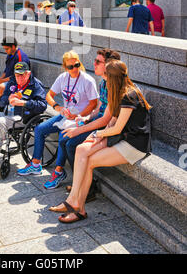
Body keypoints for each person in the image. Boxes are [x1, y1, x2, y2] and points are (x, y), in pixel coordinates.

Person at [50, 59, 152, 223]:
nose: (104, 81)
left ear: (113, 78)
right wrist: (97, 134)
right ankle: (74, 202)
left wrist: (97, 134)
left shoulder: (129, 95)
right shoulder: (120, 91)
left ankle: (77, 206)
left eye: (106, 77)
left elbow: (117, 128)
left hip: (134, 145)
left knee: (89, 161)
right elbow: (112, 120)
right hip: (121, 137)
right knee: (82, 150)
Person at [17, 50, 99, 189]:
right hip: (65, 115)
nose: (74, 69)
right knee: (40, 129)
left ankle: (58, 172)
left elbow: (94, 103)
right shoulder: (63, 78)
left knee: (63, 135)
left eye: (77, 65)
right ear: (64, 67)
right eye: (70, 67)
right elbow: (49, 95)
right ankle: (36, 164)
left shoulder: (87, 80)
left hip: (81, 118)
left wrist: (78, 115)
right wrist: (57, 107)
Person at [58, 48, 121, 197]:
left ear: (108, 65)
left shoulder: (114, 86)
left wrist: (80, 129)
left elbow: (106, 120)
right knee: (64, 139)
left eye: (98, 61)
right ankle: (79, 183)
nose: (94, 63)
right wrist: (86, 118)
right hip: (97, 120)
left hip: (107, 127)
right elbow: (99, 107)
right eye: (95, 60)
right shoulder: (103, 83)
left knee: (72, 144)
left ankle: (88, 188)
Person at [0, 37, 31, 112]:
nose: (5, 51)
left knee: (1, 87)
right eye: (4, 49)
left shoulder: (21, 57)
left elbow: (18, 76)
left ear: (13, 46)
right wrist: (0, 79)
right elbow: (6, 70)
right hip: (9, 80)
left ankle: (3, 111)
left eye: (7, 49)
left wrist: (1, 81)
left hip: (18, 82)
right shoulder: (10, 54)